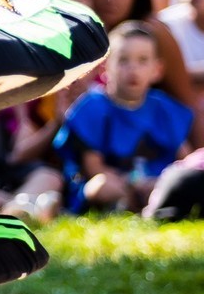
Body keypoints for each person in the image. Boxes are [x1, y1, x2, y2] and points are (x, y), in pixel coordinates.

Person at [51, 20, 193, 212]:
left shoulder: (164, 108)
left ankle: (153, 203)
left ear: (157, 70)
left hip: (154, 184)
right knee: (101, 186)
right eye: (123, 60)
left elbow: (184, 159)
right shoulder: (92, 107)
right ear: (105, 68)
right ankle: (123, 205)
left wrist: (163, 182)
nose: (133, 69)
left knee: (177, 184)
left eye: (143, 61)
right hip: (113, 184)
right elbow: (94, 167)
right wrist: (129, 185)